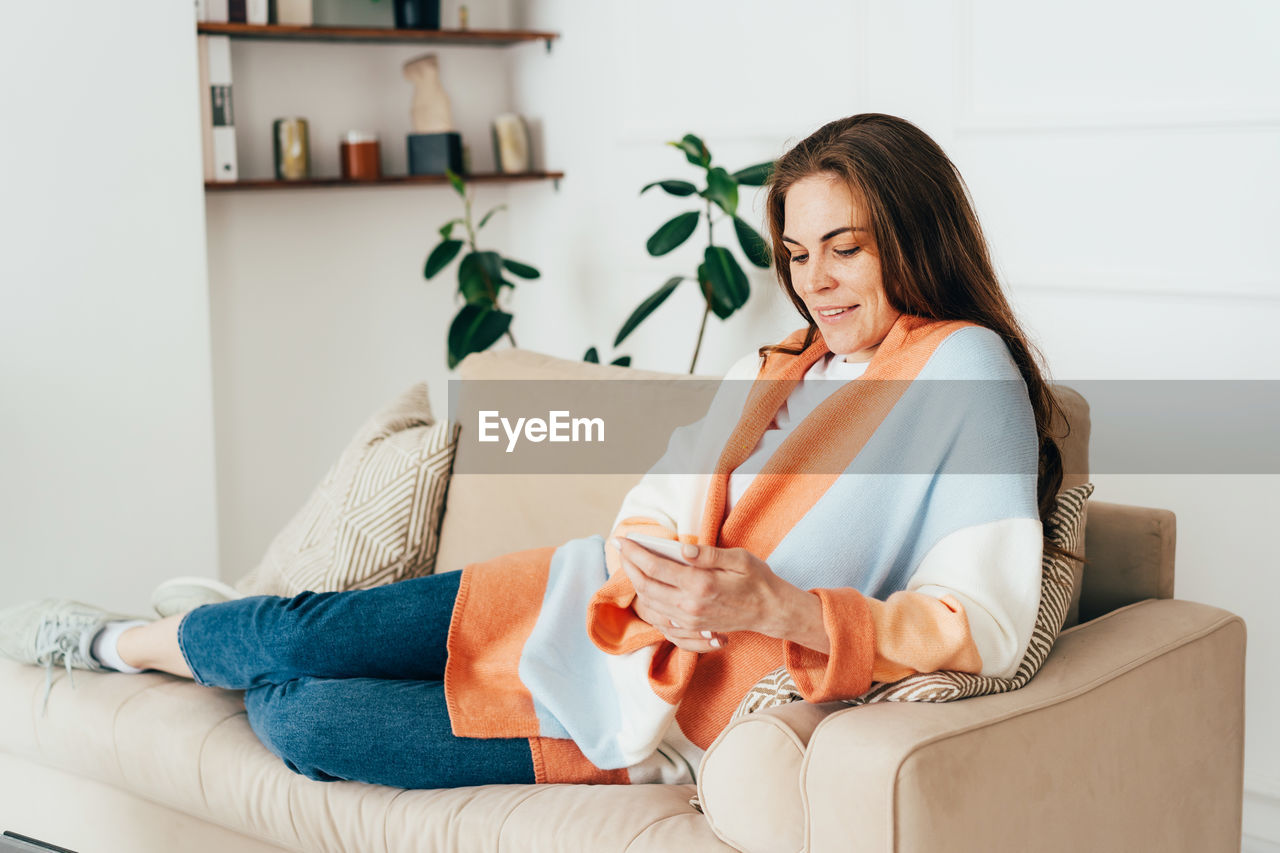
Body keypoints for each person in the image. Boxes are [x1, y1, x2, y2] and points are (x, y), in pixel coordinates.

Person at [0, 113, 1070, 790]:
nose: (816, 281)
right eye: (796, 253)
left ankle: (194, 652)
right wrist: (659, 557)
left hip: (651, 721)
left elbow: (977, 623)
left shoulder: (962, 371)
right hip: (577, 596)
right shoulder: (778, 362)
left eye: (845, 248)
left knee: (309, 711)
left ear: (912, 236)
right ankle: (115, 642)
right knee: (301, 624)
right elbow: (654, 502)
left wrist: (776, 608)